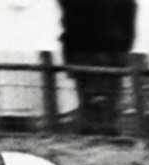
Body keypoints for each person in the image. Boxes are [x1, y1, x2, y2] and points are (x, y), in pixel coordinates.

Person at [58, 0, 137, 135]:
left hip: (85, 50)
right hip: (110, 50)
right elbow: (129, 29)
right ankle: (106, 127)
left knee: (89, 93)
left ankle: (94, 127)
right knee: (108, 94)